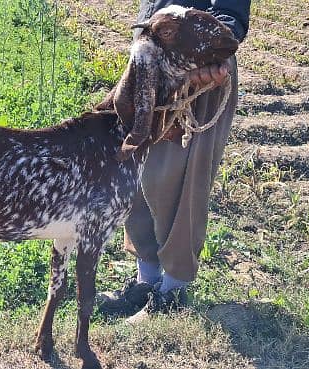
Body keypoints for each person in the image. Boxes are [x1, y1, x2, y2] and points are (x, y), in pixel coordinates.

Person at [97, 0, 251, 322]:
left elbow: (230, 13)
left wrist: (211, 57)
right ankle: (147, 281)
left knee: (179, 180)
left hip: (197, 69)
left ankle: (172, 294)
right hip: (153, 61)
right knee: (137, 173)